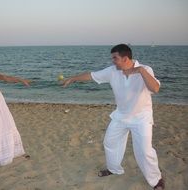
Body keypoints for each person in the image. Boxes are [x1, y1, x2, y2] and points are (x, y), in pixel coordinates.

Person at [62, 44, 164, 190]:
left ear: (125, 58)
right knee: (110, 142)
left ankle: (156, 180)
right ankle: (114, 169)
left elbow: (155, 88)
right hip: (121, 116)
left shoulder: (146, 69)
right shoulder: (112, 71)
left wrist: (140, 70)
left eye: (115, 58)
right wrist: (73, 78)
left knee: (144, 150)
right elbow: (91, 75)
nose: (113, 61)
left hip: (141, 118)